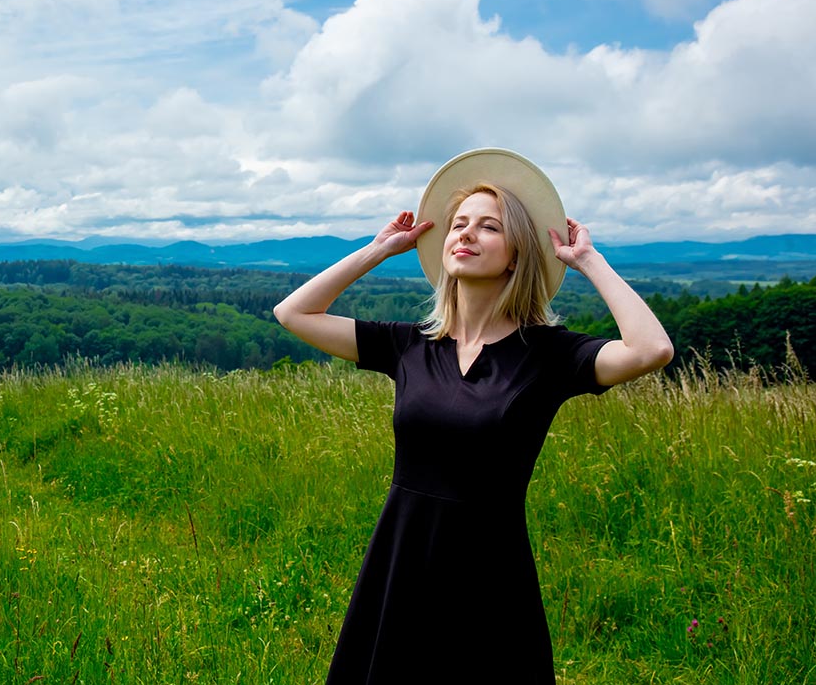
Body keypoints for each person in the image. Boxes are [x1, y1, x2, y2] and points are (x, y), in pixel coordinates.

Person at [273, 149, 674, 684]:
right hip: (401, 555)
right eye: (458, 225)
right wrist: (378, 250)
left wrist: (587, 261)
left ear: (516, 255)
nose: (465, 234)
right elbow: (293, 312)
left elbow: (651, 349)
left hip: (489, 569)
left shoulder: (549, 355)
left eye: (488, 227)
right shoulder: (409, 345)